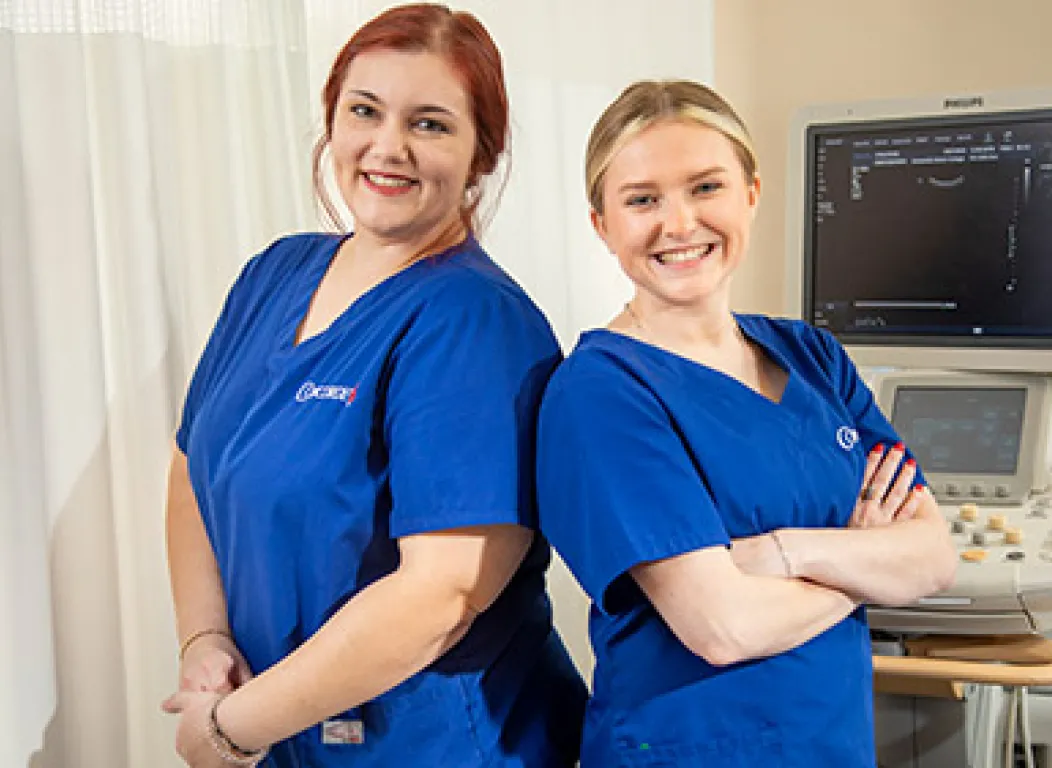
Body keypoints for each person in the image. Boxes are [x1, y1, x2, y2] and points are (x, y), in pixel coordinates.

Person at [161, 5, 586, 766]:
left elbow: (439, 599)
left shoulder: (477, 324)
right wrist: (206, 636)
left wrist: (232, 728)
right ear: (333, 119)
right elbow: (194, 465)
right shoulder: (275, 274)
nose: (388, 148)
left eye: (430, 124)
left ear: (482, 154)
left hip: (433, 745)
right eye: (365, 111)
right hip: (281, 729)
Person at [536, 79, 957, 767]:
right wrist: (863, 558)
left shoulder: (814, 357)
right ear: (602, 225)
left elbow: (934, 558)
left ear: (751, 194)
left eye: (706, 187)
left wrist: (787, 552)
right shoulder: (603, 392)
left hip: (833, 744)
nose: (678, 224)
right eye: (643, 199)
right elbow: (724, 626)